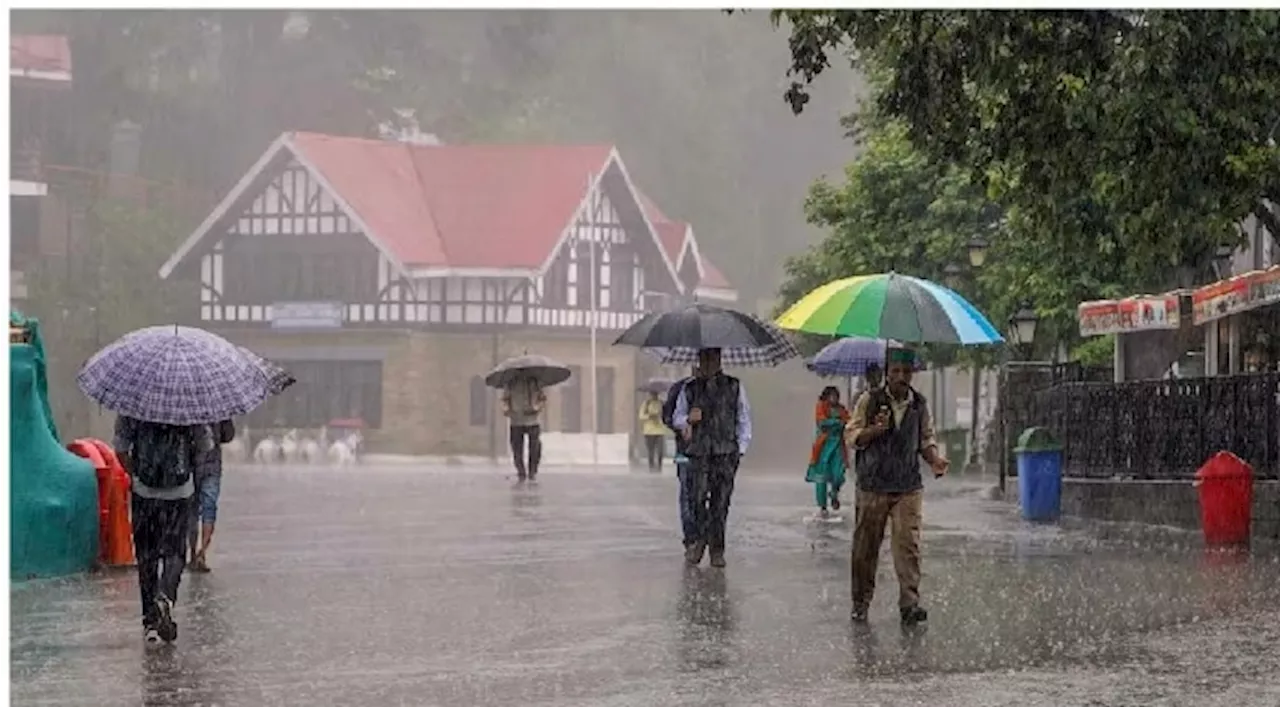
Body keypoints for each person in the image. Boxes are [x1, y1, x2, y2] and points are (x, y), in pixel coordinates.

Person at [845, 346, 948, 625]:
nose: (901, 377)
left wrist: (935, 460)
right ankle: (860, 601)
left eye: (906, 372)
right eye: (895, 371)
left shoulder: (919, 404)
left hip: (907, 485)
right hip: (873, 484)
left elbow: (925, 438)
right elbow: (852, 436)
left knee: (908, 546)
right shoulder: (869, 400)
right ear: (887, 373)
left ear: (912, 373)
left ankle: (910, 603)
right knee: (866, 547)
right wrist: (874, 431)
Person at [114, 415, 214, 645]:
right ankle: (166, 596)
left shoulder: (132, 407)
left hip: (144, 493)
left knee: (146, 556)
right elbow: (205, 446)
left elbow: (120, 449)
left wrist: (136, 473)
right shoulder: (189, 406)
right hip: (179, 492)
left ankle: (150, 621)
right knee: (175, 552)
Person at [672, 348, 752, 568]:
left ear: (719, 360)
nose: (709, 363)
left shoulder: (734, 386)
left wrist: (740, 448)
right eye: (705, 358)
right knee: (696, 500)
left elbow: (743, 418)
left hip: (725, 452)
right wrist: (688, 419)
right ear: (699, 360)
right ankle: (699, 540)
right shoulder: (689, 388)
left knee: (720, 502)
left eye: (713, 358)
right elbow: (676, 417)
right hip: (697, 452)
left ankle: (717, 549)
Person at [188, 419, 235, 573]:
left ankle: (194, 553)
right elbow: (228, 436)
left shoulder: (185, 410)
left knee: (192, 510)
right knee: (209, 508)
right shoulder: (217, 409)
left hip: (189, 466)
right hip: (211, 466)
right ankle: (202, 552)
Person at [662, 367, 698, 549]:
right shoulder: (680, 388)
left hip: (712, 452)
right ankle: (690, 537)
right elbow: (669, 417)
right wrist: (685, 423)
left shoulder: (727, 388)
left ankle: (705, 534)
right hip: (684, 451)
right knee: (687, 493)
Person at [805, 386, 850, 517]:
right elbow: (822, 423)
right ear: (826, 396)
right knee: (822, 476)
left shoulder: (841, 409)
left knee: (839, 473)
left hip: (838, 446)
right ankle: (822, 506)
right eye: (832, 395)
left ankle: (834, 493)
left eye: (836, 396)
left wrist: (841, 423)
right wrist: (837, 422)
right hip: (824, 446)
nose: (834, 398)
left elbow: (849, 421)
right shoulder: (821, 406)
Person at [502, 375, 546, 481]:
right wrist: (506, 409)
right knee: (517, 447)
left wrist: (537, 407)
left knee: (535, 446)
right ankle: (521, 470)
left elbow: (542, 398)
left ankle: (532, 470)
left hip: (532, 419)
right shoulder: (511, 383)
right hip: (516, 419)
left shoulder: (535, 382)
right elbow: (505, 399)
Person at [639, 390, 668, 472]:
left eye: (655, 394)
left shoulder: (662, 404)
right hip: (649, 430)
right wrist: (650, 416)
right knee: (651, 450)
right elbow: (641, 416)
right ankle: (651, 466)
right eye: (652, 394)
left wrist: (660, 416)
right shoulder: (646, 404)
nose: (654, 396)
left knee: (660, 450)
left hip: (660, 430)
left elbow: (666, 415)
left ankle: (659, 466)